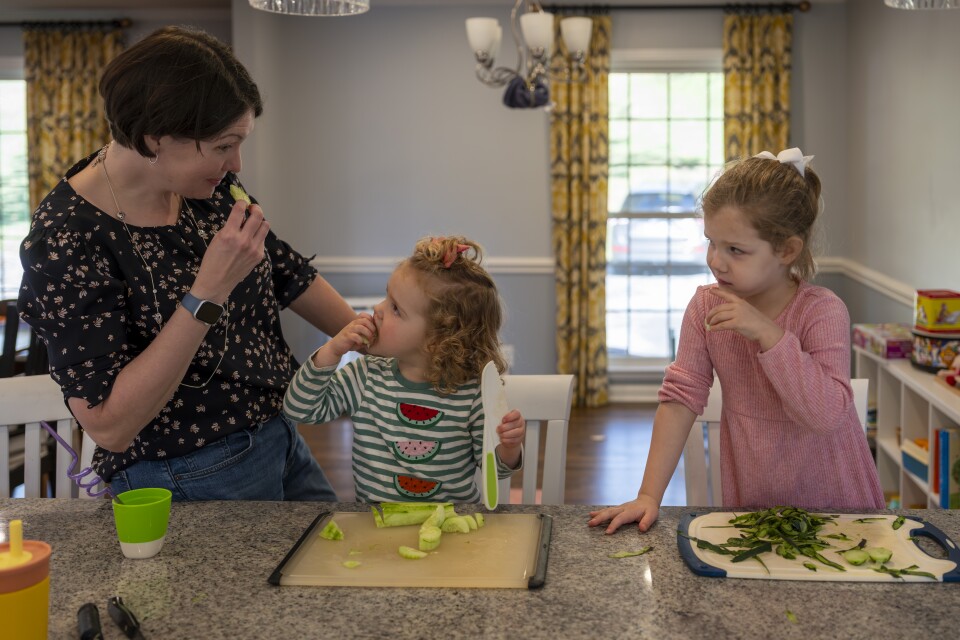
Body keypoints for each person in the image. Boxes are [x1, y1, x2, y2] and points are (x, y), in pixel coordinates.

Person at [18, 26, 357, 501]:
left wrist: (384, 339)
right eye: (223, 145)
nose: (237, 163)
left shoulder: (205, 188)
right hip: (186, 474)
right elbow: (109, 425)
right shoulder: (65, 239)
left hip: (279, 434)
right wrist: (208, 292)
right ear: (154, 139)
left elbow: (285, 272)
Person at [588, 148, 884, 534]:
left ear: (787, 250)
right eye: (712, 242)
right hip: (755, 509)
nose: (716, 261)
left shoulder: (822, 312)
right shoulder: (704, 307)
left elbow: (826, 415)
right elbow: (680, 400)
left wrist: (768, 334)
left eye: (735, 250)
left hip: (841, 513)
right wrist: (648, 496)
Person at [283, 236, 526, 503]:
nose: (378, 308)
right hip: (377, 526)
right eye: (386, 298)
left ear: (436, 341)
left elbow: (497, 471)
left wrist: (509, 448)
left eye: (396, 309)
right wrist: (333, 351)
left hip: (451, 528)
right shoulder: (364, 375)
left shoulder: (472, 394)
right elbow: (299, 409)